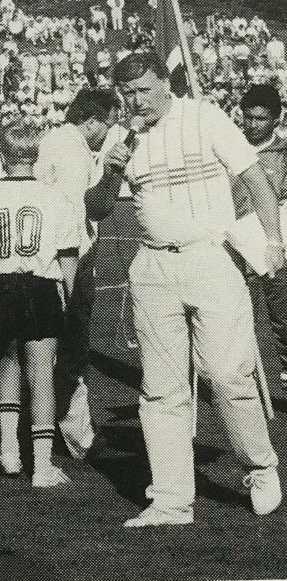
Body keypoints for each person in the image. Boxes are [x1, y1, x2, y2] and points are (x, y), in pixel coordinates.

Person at [102, 51, 282, 526]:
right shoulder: (123, 139)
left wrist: (273, 238)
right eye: (127, 93)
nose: (135, 101)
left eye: (143, 90)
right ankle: (171, 500)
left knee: (226, 375)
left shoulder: (205, 117)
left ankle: (260, 468)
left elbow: (256, 180)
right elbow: (97, 208)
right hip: (152, 266)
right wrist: (111, 171)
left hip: (211, 258)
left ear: (165, 83)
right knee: (161, 390)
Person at [0, 119, 80, 488]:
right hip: (39, 284)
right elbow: (68, 255)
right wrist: (71, 300)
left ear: (0, 154)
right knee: (41, 374)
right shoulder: (54, 197)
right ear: (38, 155)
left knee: (9, 363)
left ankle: (10, 451)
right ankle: (42, 466)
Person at [35, 89, 121, 459]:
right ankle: (78, 435)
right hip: (68, 258)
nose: (108, 134)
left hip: (48, 255)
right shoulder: (70, 151)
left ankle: (8, 418)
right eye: (108, 125)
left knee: (44, 348)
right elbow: (89, 208)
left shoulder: (58, 142)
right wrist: (114, 170)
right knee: (71, 348)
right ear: (91, 122)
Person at [231, 84, 287, 393]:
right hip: (231, 246)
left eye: (260, 119)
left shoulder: (283, 155)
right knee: (232, 320)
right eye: (247, 117)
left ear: (276, 120)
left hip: (272, 247)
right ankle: (238, 381)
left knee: (283, 318)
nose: (252, 125)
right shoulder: (228, 148)